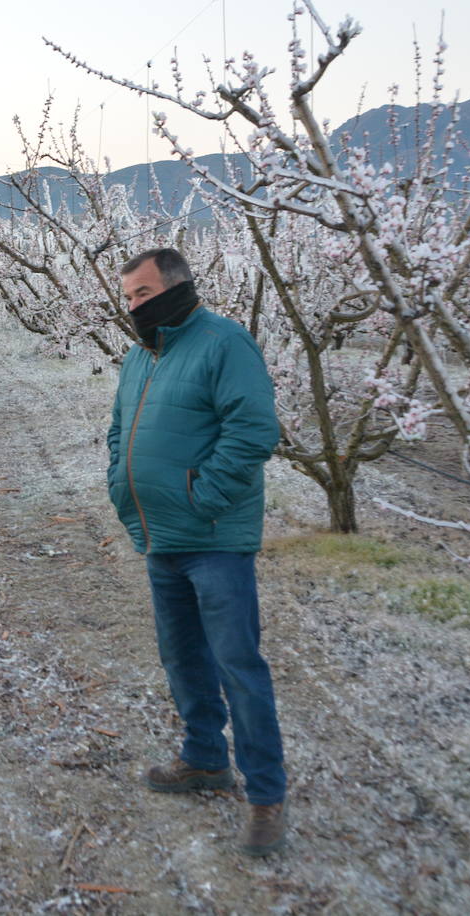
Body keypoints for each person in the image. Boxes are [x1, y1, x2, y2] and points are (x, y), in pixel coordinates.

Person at [106, 247, 287, 856]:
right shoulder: (140, 355)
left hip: (213, 539)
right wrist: (119, 481)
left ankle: (266, 796)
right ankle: (206, 758)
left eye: (145, 293)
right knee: (182, 659)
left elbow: (254, 426)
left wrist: (203, 497)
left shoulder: (224, 342)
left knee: (238, 664)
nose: (136, 305)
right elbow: (118, 427)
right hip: (161, 538)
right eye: (129, 296)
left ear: (179, 287)